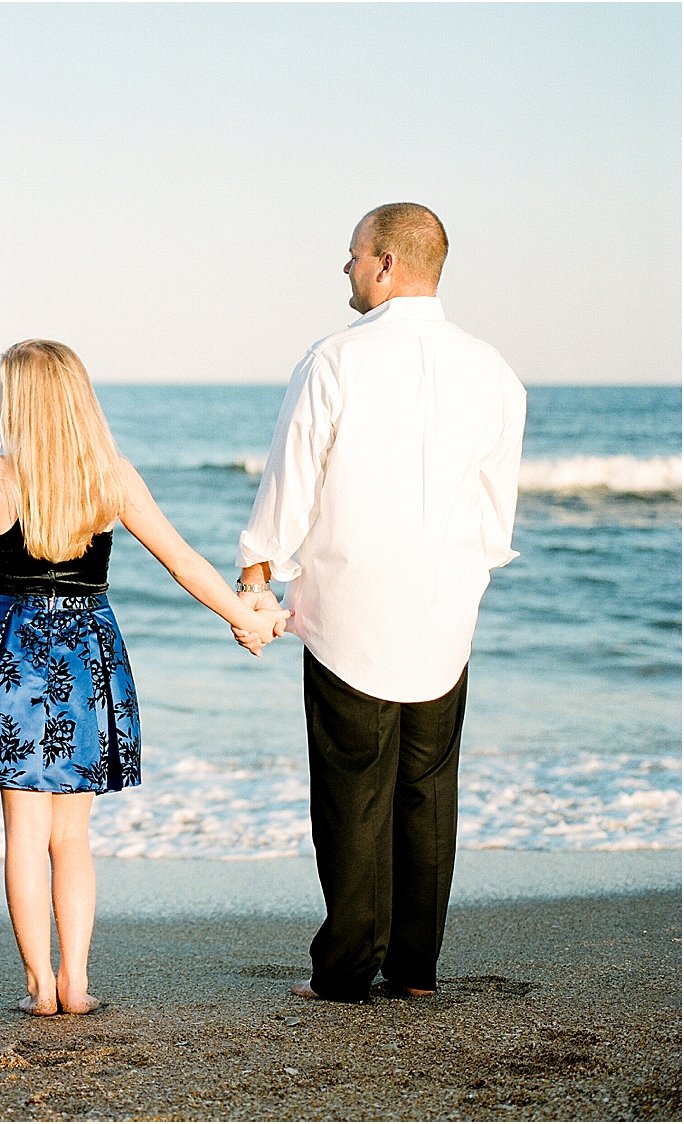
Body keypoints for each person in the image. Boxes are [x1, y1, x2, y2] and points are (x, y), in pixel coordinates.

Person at [0, 339, 288, 1016]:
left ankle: (41, 987)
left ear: (21, 403)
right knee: (72, 838)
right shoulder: (110, 476)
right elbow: (182, 561)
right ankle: (76, 982)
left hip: (16, 652)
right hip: (87, 655)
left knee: (24, 836)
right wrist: (239, 616)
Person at [235, 203, 526, 1003]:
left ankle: (344, 971)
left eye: (355, 255)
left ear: (389, 263)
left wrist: (258, 579)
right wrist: (461, 580)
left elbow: (290, 486)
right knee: (427, 792)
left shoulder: (335, 360)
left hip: (348, 611)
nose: (347, 268)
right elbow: (494, 517)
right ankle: (417, 970)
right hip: (443, 614)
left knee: (352, 791)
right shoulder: (495, 371)